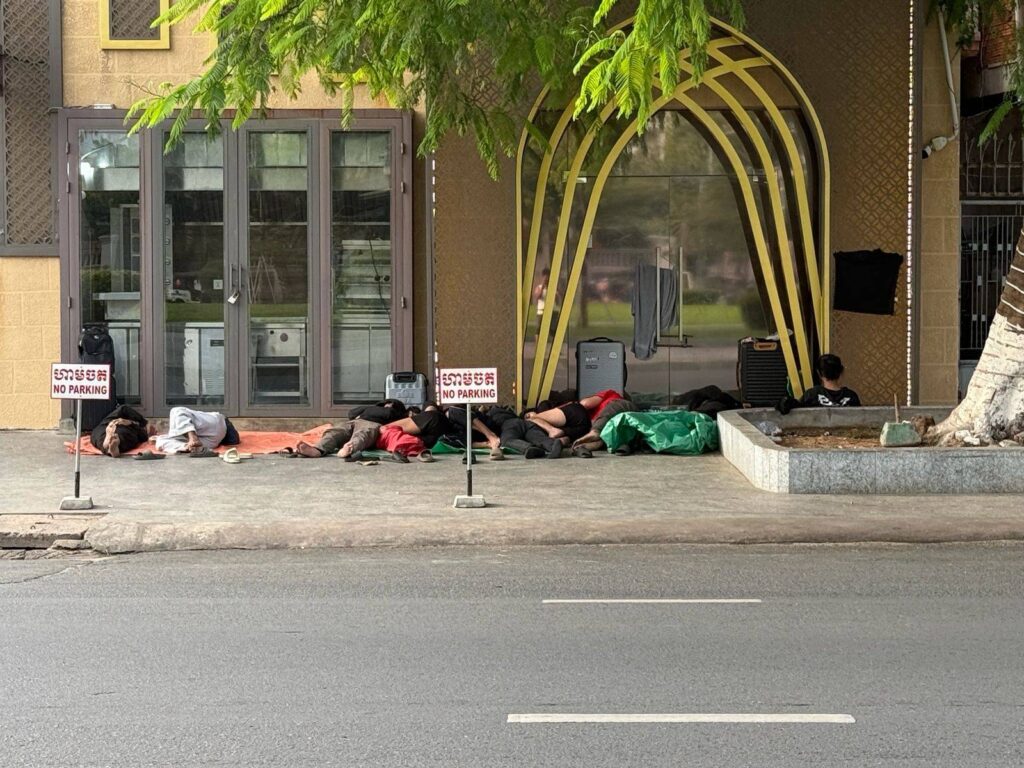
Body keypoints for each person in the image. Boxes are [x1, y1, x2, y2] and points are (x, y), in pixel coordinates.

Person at [777, 354, 861, 414]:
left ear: (819, 373)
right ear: (841, 371)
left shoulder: (812, 395)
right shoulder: (852, 396)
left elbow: (796, 410)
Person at [569, 391, 639, 458]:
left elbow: (585, 403)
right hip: (621, 432)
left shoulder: (610, 394)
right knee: (607, 434)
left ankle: (595, 433)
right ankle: (595, 443)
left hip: (625, 411)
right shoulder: (588, 420)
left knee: (609, 413)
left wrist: (572, 410)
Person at [294, 418, 381, 460]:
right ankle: (317, 450)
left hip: (374, 422)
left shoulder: (392, 412)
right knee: (334, 432)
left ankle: (350, 448)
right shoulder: (369, 408)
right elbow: (352, 413)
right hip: (355, 420)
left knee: (363, 433)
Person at [155, 407, 227, 455]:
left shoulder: (178, 416)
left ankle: (193, 438)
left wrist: (192, 437)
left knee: (176, 411)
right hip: (210, 441)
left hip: (218, 424)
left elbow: (179, 413)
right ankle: (188, 446)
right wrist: (157, 439)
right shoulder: (164, 437)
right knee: (160, 442)